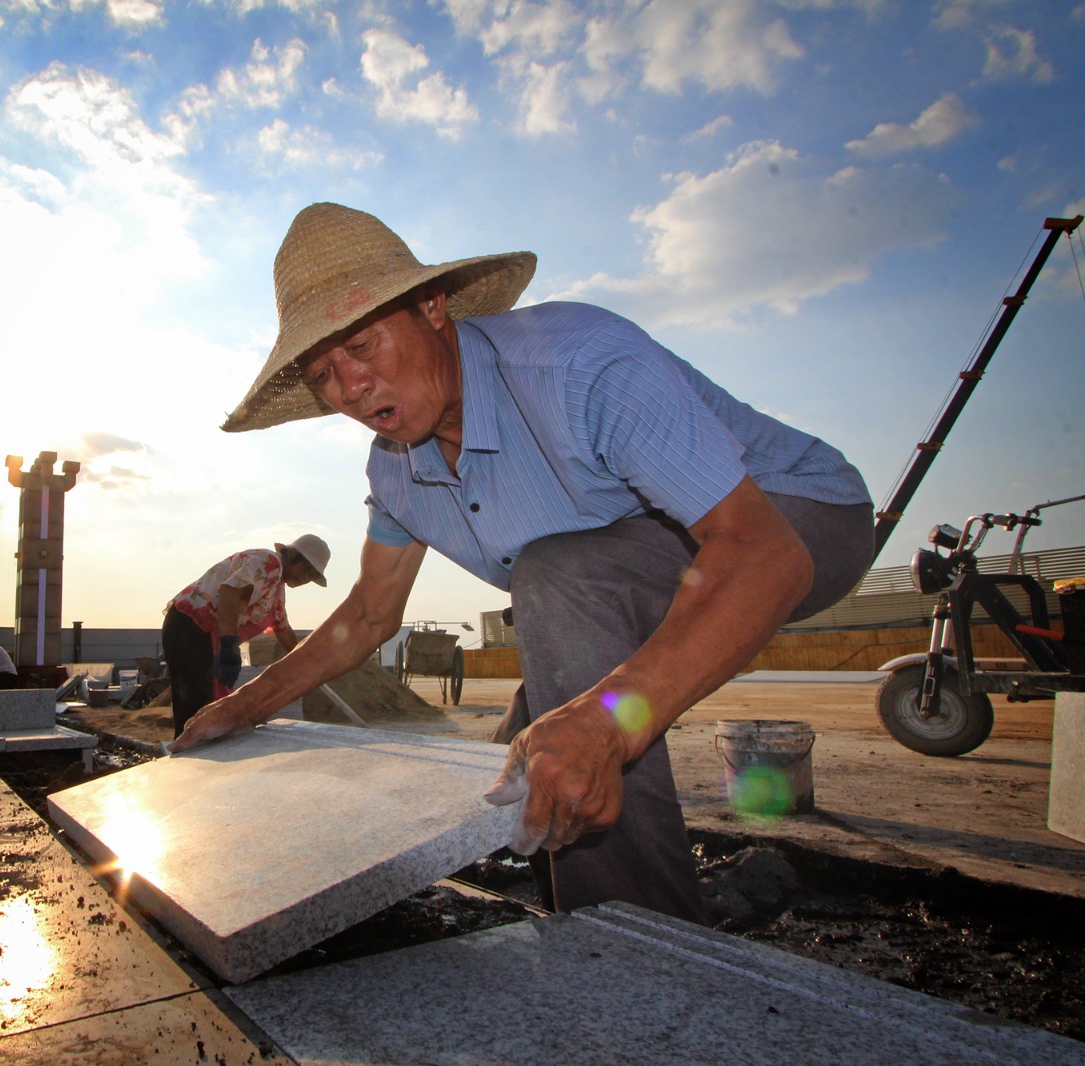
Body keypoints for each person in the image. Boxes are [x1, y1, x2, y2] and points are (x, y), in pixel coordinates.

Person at [170, 203, 874, 923]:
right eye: (323, 373)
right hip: (620, 570)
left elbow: (763, 554)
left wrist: (607, 723)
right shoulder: (395, 473)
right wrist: (248, 703)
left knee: (559, 591)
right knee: (515, 760)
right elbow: (369, 614)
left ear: (431, 306)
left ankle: (631, 938)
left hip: (794, 519)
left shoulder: (576, 362)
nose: (349, 385)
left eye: (363, 345)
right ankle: (550, 886)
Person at [162, 534, 331, 738]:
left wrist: (307, 662)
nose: (306, 579)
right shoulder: (267, 563)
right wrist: (228, 645)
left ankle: (196, 755)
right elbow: (229, 594)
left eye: (312, 576)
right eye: (307, 569)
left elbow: (283, 630)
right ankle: (188, 759)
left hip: (204, 634)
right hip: (190, 626)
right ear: (293, 556)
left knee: (208, 707)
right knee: (195, 704)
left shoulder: (276, 589)